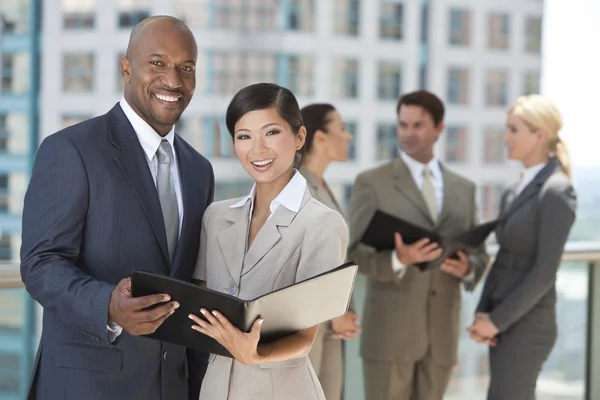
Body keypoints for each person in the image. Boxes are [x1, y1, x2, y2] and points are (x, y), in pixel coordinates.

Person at [20, 16, 213, 400]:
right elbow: (40, 263)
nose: (173, 81)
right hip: (87, 386)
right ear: (126, 68)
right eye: (157, 63)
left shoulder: (198, 170)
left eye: (185, 68)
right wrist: (108, 305)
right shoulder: (72, 150)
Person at [189, 83, 348, 400]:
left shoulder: (322, 224)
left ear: (300, 137)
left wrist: (256, 354)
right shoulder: (216, 217)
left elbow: (305, 337)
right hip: (215, 388)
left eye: (271, 132)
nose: (257, 149)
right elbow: (202, 310)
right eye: (244, 136)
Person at [348, 90, 489, 400]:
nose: (408, 133)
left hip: (441, 335)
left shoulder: (464, 190)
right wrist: (398, 259)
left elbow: (478, 253)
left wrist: (468, 268)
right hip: (390, 335)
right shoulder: (372, 182)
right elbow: (352, 253)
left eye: (418, 125)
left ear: (439, 128)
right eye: (403, 125)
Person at [468, 95, 577, 400]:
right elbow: (503, 259)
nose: (506, 138)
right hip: (502, 322)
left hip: (527, 326)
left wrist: (496, 321)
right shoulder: (516, 189)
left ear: (540, 134)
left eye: (514, 130)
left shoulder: (556, 192)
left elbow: (544, 272)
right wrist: (483, 315)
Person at [299, 103, 361, 400]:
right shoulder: (299, 187)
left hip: (330, 325)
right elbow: (305, 257)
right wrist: (335, 313)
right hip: (311, 324)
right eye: (342, 129)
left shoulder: (321, 186)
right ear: (320, 138)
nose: (348, 137)